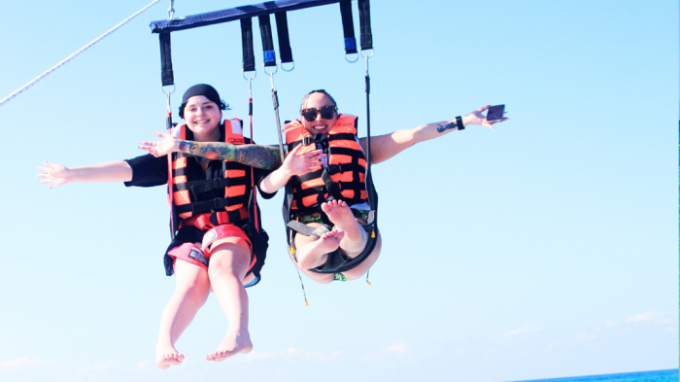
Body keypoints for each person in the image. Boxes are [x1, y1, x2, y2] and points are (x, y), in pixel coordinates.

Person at [143, 89, 507, 285]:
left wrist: (466, 120)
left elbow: (412, 135)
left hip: (359, 239)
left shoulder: (361, 146)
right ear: (301, 119)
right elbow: (252, 174)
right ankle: (329, 237)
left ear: (337, 114)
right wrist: (287, 169)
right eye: (311, 114)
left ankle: (344, 227)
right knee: (309, 259)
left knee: (354, 241)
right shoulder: (284, 152)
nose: (319, 119)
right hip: (310, 235)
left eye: (327, 112)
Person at [37, 84, 276, 368]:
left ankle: (239, 333)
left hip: (234, 231)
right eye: (192, 108)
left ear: (220, 111)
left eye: (208, 106)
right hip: (192, 235)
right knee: (189, 284)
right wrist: (73, 174)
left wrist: (183, 146)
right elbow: (127, 169)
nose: (200, 113)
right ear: (183, 116)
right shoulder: (170, 154)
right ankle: (165, 344)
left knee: (221, 269)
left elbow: (272, 159)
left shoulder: (243, 147)